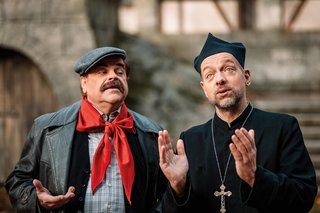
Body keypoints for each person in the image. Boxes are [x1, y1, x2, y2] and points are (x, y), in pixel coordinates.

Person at [158, 33, 317, 213]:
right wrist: (178, 188)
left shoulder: (282, 127)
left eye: (228, 69)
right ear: (204, 89)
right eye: (210, 75)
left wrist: (255, 177)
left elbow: (304, 198)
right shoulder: (190, 140)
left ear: (246, 76)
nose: (220, 79)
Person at [5, 47, 167, 212]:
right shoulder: (46, 128)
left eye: (120, 72)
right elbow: (17, 181)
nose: (113, 76)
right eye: (102, 72)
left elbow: (167, 193)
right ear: (84, 83)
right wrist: (37, 200)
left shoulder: (152, 133)